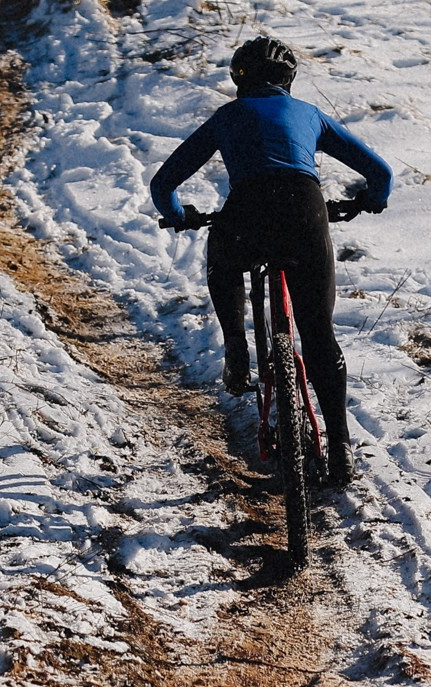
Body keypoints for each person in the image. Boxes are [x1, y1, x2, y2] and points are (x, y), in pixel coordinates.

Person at [150, 36, 391, 488]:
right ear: (289, 78)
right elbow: (381, 174)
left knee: (223, 256)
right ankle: (339, 446)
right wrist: (369, 201)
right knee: (318, 334)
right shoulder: (309, 115)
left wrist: (180, 216)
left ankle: (238, 349)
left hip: (247, 213)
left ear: (238, 80)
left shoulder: (227, 117)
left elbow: (164, 183)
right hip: (305, 211)